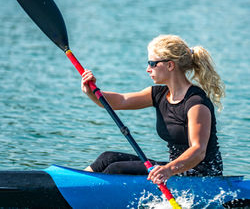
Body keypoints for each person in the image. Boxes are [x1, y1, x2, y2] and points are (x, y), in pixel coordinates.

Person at [81, 34, 225, 184]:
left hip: (201, 177)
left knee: (116, 168)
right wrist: (92, 92)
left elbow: (198, 151)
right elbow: (120, 101)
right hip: (174, 170)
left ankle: (86, 194)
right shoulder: (158, 94)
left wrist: (168, 170)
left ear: (170, 65)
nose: (148, 69)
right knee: (107, 158)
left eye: (152, 63)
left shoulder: (196, 103)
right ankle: (74, 185)